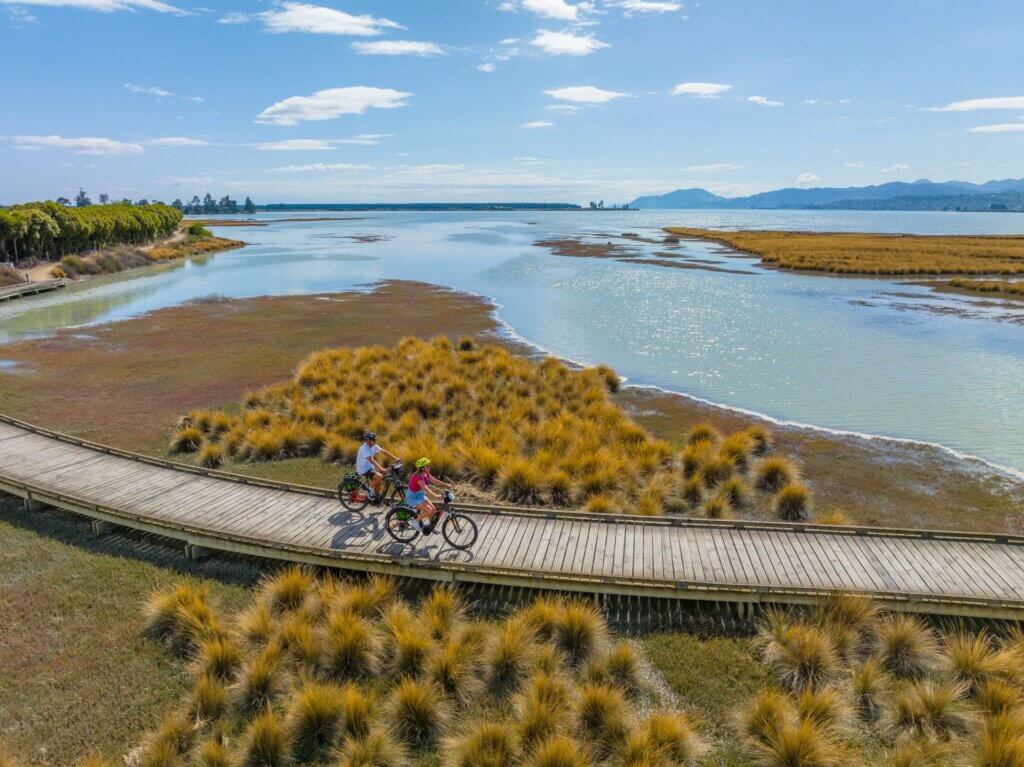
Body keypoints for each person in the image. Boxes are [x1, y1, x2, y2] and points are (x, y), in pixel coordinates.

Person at [406, 457, 453, 533]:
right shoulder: (416, 477)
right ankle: (415, 521)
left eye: (429, 465)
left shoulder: (426, 473)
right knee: (429, 511)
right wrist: (436, 496)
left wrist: (446, 484)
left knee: (433, 510)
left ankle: (431, 526)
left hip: (420, 496)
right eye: (427, 466)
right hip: (413, 498)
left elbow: (434, 480)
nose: (429, 467)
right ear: (422, 468)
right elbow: (426, 488)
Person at [355, 433, 397, 503]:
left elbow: (384, 452)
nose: (375, 441)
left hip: (370, 467)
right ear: (369, 441)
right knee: (379, 476)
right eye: (374, 440)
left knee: (379, 482)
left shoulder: (373, 446)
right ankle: (370, 491)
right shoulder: (364, 448)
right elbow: (372, 460)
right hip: (363, 469)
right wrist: (382, 469)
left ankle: (376, 499)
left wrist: (396, 459)